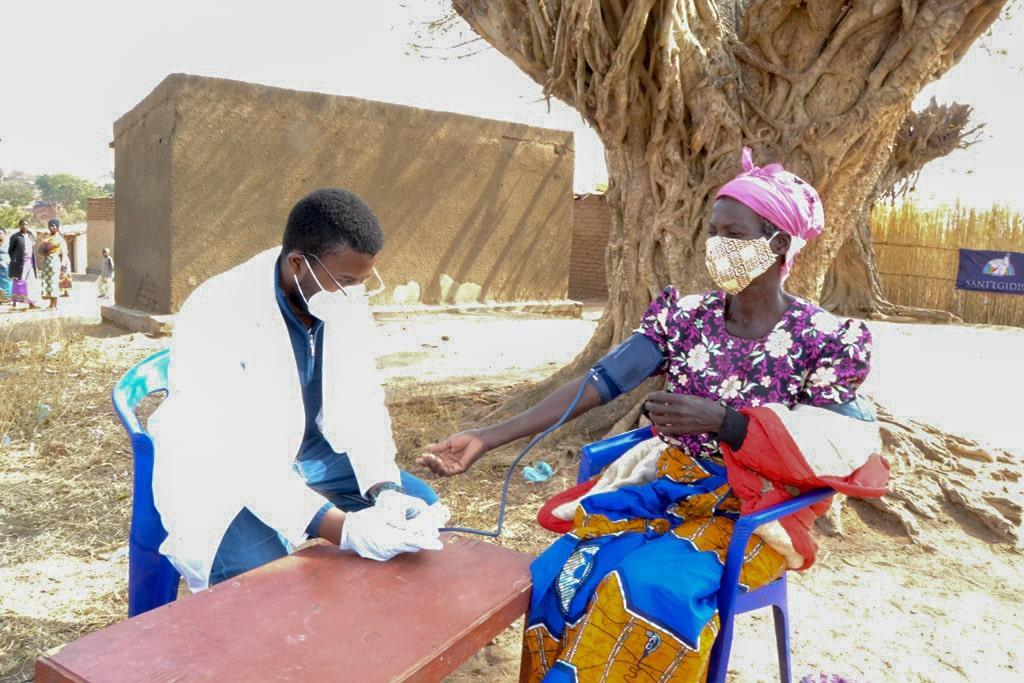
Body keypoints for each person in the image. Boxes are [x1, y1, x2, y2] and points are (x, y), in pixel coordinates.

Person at [419, 148, 889, 681]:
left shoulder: (826, 340)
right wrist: (488, 436)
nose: (715, 246)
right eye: (712, 231)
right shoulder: (686, 320)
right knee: (562, 570)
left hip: (754, 513)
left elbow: (835, 445)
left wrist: (725, 422)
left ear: (778, 244)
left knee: (647, 589)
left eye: (732, 234)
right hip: (668, 490)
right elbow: (599, 383)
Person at [149, 188, 447, 592]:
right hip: (223, 472)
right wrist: (343, 529)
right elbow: (233, 452)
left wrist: (384, 487)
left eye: (362, 282)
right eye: (345, 281)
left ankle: (358, 627)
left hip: (312, 453)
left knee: (417, 513)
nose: (354, 293)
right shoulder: (218, 309)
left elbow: (363, 399)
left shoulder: (340, 295)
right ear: (297, 263)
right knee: (262, 582)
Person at [7, 219, 39, 309]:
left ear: (28, 226)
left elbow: (34, 247)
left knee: (30, 282)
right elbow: (10, 251)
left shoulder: (30, 235)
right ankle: (14, 304)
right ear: (19, 226)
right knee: (19, 281)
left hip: (30, 262)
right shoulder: (15, 236)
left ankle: (31, 303)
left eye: (26, 224)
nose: (24, 226)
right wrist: (15, 260)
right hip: (20, 263)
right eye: (22, 225)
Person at [39, 218, 66, 309]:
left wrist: (44, 245)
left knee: (53, 282)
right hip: (47, 261)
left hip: (53, 260)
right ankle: (51, 304)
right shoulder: (49, 237)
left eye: (53, 226)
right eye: (50, 226)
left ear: (57, 227)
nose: (51, 227)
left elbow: (46, 248)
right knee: (48, 282)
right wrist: (44, 246)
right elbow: (40, 250)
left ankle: (54, 304)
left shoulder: (58, 238)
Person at [0, 229, 11, 303]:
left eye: (1, 233)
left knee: (7, 282)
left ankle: (7, 298)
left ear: (4, 234)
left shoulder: (8, 244)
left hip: (6, 266)